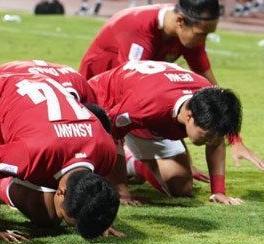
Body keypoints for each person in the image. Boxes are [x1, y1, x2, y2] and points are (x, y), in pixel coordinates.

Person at [0, 71, 120, 242]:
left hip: (31, 108)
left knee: (48, 217)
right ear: (61, 192)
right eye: (69, 221)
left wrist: (97, 218)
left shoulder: (106, 151)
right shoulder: (30, 155)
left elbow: (93, 193)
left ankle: (6, 184)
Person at [88, 60, 252, 205]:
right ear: (189, 117)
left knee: (181, 187)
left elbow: (216, 141)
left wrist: (218, 192)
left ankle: (133, 162)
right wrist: (122, 191)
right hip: (106, 103)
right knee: (86, 170)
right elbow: (111, 135)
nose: (212, 140)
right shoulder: (146, 106)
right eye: (207, 135)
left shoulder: (206, 101)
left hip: (150, 117)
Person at [79, 0, 220, 84]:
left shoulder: (189, 28)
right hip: (98, 87)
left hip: (133, 84)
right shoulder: (138, 28)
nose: (203, 41)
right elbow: (133, 83)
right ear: (179, 21)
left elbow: (206, 78)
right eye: (201, 35)